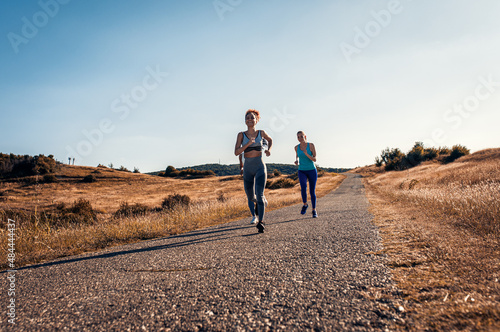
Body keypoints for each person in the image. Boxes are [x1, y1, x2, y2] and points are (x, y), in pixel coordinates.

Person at [234, 109, 273, 233]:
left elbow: (270, 140)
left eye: (252, 118)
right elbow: (236, 152)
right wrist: (247, 145)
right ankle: (262, 201)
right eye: (247, 118)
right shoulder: (241, 135)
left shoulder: (261, 133)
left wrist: (268, 149)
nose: (249, 120)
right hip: (248, 169)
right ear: (245, 121)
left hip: (260, 166)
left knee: (259, 195)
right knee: (251, 196)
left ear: (257, 120)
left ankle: (261, 222)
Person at [238, 138, 268, 224]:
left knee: (258, 193)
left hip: (258, 173)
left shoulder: (257, 151)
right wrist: (242, 169)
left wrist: (266, 149)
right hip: (249, 175)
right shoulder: (241, 156)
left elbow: (265, 144)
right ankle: (254, 216)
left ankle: (262, 201)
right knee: (250, 196)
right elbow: (241, 166)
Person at [294, 131, 318, 218]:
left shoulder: (311, 145)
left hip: (311, 170)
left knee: (312, 191)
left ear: (305, 136)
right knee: (303, 187)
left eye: (301, 136)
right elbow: (297, 155)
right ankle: (305, 204)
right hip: (302, 170)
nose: (300, 138)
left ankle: (314, 210)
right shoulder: (296, 147)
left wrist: (306, 153)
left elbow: (314, 159)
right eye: (298, 137)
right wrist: (296, 161)